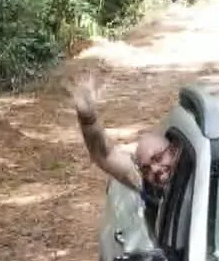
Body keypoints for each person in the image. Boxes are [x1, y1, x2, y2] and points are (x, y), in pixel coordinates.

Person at [67, 71, 180, 225]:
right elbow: (105, 155)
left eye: (158, 158)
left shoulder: (200, 169)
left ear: (174, 151)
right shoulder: (148, 186)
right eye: (146, 169)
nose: (154, 170)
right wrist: (88, 119)